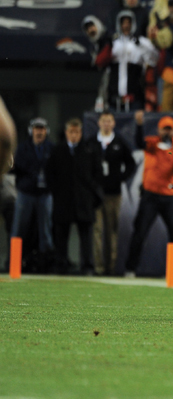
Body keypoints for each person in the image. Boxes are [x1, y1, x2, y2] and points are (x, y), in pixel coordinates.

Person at [125, 113, 173, 277]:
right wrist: (139, 125)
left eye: (169, 129)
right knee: (140, 232)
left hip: (168, 196)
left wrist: (172, 150)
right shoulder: (153, 143)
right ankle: (130, 268)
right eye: (164, 129)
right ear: (159, 129)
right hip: (150, 196)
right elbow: (139, 143)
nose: (167, 132)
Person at [46, 119, 103, 275]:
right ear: (66, 133)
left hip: (84, 201)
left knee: (86, 237)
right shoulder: (58, 150)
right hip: (63, 200)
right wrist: (56, 192)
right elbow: (49, 174)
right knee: (61, 235)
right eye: (71, 132)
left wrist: (91, 192)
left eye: (77, 132)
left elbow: (98, 173)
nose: (74, 135)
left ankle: (87, 266)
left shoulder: (89, 150)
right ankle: (61, 264)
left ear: (81, 133)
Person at [87, 111, 136, 276]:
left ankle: (111, 267)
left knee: (112, 231)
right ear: (99, 123)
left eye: (109, 121)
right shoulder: (92, 142)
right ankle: (98, 267)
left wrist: (120, 178)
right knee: (97, 231)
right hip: (95, 194)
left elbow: (131, 164)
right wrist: (92, 184)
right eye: (103, 120)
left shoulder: (120, 142)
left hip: (113, 194)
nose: (106, 124)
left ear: (113, 123)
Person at [11, 117, 55, 271]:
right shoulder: (22, 148)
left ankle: (45, 266)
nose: (39, 132)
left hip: (45, 193)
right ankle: (15, 265)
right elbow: (17, 168)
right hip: (26, 193)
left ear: (46, 131)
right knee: (19, 229)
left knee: (46, 231)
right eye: (37, 128)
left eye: (42, 129)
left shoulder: (51, 148)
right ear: (31, 131)